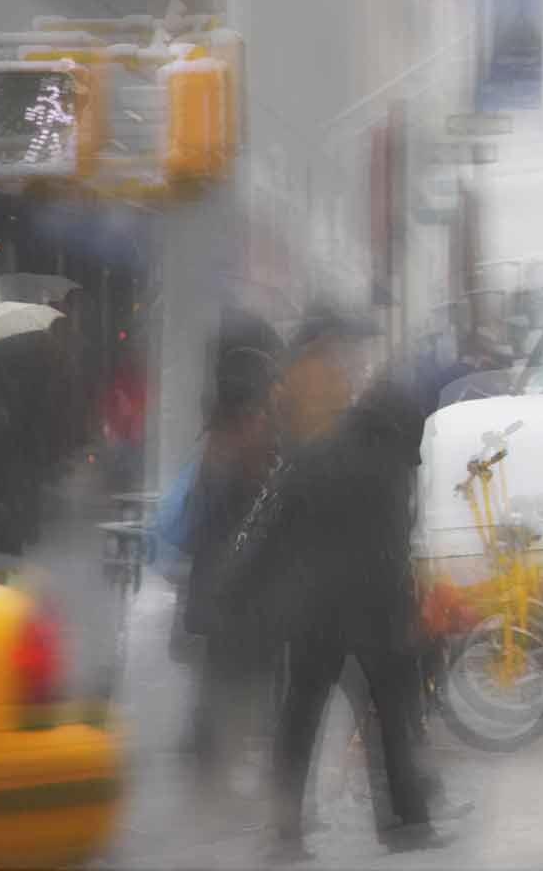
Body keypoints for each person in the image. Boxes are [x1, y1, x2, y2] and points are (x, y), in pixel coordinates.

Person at [222, 382, 444, 860]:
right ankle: (407, 822)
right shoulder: (386, 466)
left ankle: (284, 832)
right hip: (373, 612)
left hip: (312, 612)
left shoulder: (313, 453)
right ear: (401, 429)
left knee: (298, 719)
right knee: (393, 716)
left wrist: (250, 592)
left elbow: (273, 528)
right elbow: (391, 552)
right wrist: (406, 617)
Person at [177, 341, 283, 792]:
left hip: (223, 587)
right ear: (245, 412)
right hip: (230, 589)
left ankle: (209, 757)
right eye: (260, 408)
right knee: (233, 673)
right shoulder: (231, 454)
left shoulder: (219, 448)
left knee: (224, 673)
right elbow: (230, 522)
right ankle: (213, 763)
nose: (265, 416)